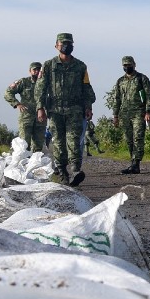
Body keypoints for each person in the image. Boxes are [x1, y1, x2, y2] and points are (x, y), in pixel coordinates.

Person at [36, 33, 96, 186]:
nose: (66, 46)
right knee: (59, 143)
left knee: (74, 141)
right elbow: (40, 88)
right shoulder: (48, 65)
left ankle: (76, 170)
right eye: (63, 43)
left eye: (69, 43)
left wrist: (88, 106)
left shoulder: (81, 66)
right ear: (56, 45)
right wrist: (40, 108)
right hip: (55, 111)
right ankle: (63, 173)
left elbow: (86, 87)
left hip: (75, 110)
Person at [110, 55, 150, 174]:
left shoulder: (141, 78)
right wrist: (115, 115)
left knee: (138, 138)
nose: (127, 67)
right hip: (125, 114)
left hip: (139, 113)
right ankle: (132, 162)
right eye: (125, 65)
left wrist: (148, 111)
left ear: (134, 65)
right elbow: (117, 99)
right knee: (129, 139)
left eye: (129, 65)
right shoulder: (120, 81)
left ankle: (136, 163)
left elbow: (149, 95)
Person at [5, 61, 46, 152]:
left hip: (40, 118)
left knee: (38, 146)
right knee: (24, 145)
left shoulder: (46, 83)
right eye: (34, 69)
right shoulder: (23, 82)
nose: (37, 71)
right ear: (30, 71)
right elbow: (8, 93)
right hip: (26, 117)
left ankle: (35, 165)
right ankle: (24, 163)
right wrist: (17, 104)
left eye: (39, 69)